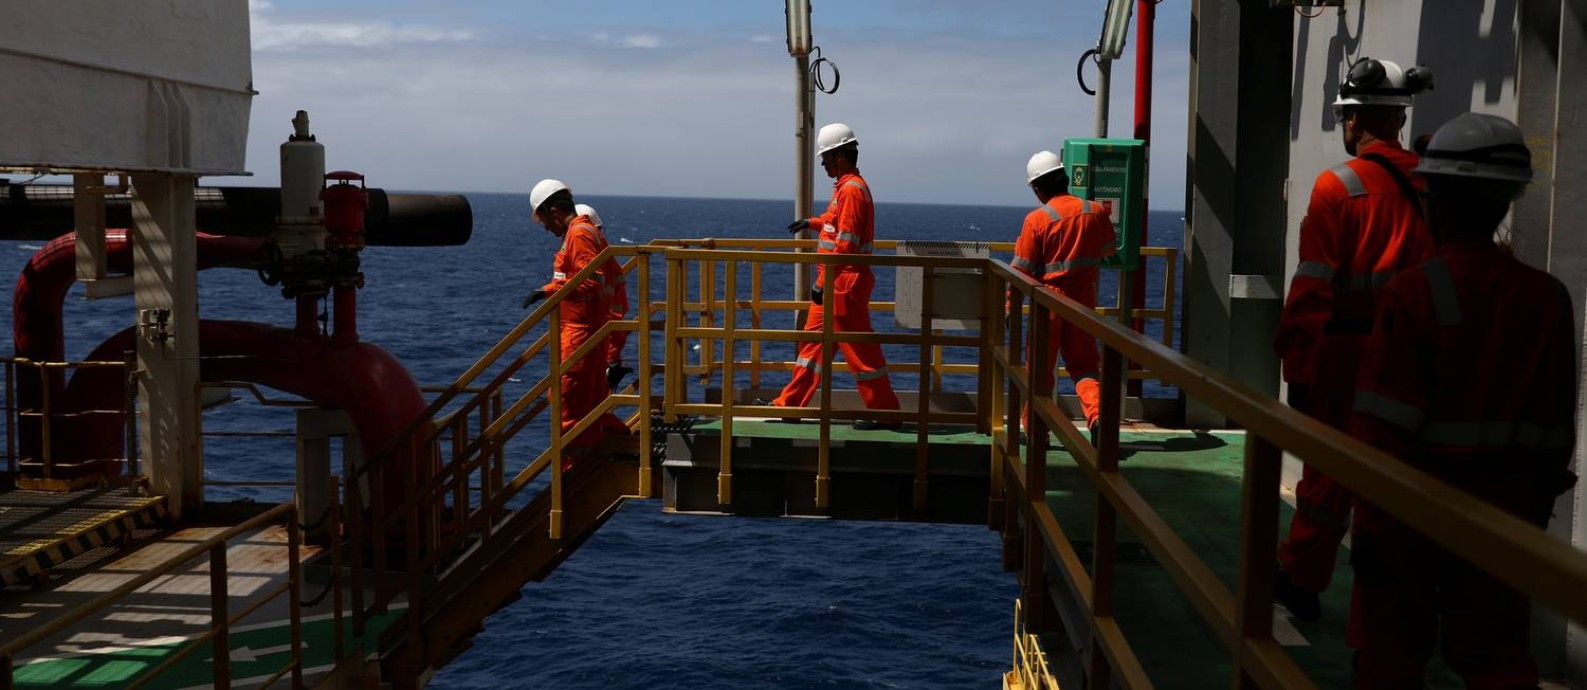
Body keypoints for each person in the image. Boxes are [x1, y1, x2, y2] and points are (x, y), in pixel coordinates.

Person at [1349, 112, 1577, 689]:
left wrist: (1372, 531)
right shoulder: (1548, 299)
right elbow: (1555, 430)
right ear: (1505, 202)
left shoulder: (1414, 293)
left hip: (1412, 519)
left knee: (1393, 657)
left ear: (1438, 200)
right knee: (1496, 657)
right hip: (1505, 521)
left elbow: (1381, 431)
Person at [1271, 57, 1434, 621]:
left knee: (1328, 472)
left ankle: (1302, 580)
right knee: (1393, 480)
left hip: (1348, 354)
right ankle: (1384, 603)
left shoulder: (1337, 186)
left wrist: (1299, 370)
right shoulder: (1433, 182)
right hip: (1416, 355)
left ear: (1357, 118)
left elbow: (1314, 286)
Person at [761, 123, 902, 430]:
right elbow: (832, 223)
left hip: (842, 284)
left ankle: (887, 414)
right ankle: (790, 404)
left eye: (825, 157)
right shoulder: (846, 187)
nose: (823, 163)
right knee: (811, 347)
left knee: (860, 353)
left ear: (840, 156)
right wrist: (810, 222)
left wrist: (822, 284)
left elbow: (846, 243)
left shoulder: (851, 191)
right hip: (836, 280)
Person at [1010, 150, 1116, 444]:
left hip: (1049, 303)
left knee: (1039, 371)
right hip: (1083, 301)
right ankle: (1097, 418)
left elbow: (1022, 271)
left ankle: (1035, 431)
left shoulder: (1037, 220)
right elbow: (1108, 249)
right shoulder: (1096, 212)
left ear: (1038, 188)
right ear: (1065, 178)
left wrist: (1009, 306)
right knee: (1084, 366)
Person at [524, 180, 628, 462]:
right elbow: (611, 281)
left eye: (544, 219)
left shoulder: (579, 235)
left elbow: (589, 281)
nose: (545, 227)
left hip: (580, 331)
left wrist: (547, 291)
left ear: (555, 212)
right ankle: (606, 442)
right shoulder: (586, 232)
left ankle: (573, 469)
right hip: (587, 330)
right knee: (587, 402)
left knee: (567, 401)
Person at [575, 203, 634, 392]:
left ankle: (610, 370)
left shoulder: (595, 259)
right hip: (602, 336)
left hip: (595, 336)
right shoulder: (605, 257)